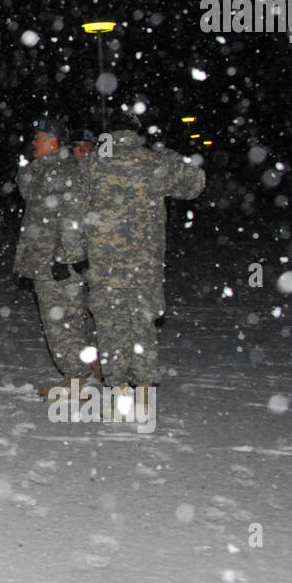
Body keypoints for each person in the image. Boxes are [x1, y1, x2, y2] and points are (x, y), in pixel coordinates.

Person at [79, 111, 204, 408]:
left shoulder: (93, 164)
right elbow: (195, 184)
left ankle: (119, 391)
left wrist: (74, 252)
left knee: (110, 328)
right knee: (142, 327)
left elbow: (74, 209)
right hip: (143, 265)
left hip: (105, 265)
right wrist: (168, 153)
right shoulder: (155, 162)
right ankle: (145, 392)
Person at [14, 117, 93, 397]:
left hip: (56, 263)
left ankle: (75, 379)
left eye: (39, 138)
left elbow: (70, 219)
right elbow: (28, 196)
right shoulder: (48, 170)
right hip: (45, 261)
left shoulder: (60, 171)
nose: (34, 142)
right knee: (65, 320)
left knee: (62, 323)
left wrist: (65, 258)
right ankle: (81, 370)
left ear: (52, 142)